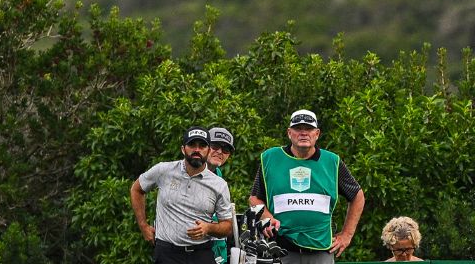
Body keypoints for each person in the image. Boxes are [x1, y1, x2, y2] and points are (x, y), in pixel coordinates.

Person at [250, 108, 364, 264]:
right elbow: (255, 198)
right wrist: (268, 218)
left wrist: (347, 235)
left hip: (321, 251)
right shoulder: (270, 158)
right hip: (282, 250)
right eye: (298, 128)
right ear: (289, 133)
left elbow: (357, 195)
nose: (303, 133)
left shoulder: (332, 161)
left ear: (316, 134)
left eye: (308, 129)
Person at [131, 126, 236, 264]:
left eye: (202, 145)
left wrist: (208, 228)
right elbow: (136, 189)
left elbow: (228, 227)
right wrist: (143, 226)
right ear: (183, 149)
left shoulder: (219, 184)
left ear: (208, 150)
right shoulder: (163, 170)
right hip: (166, 253)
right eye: (192, 144)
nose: (197, 150)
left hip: (201, 254)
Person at [206, 127, 236, 264]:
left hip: (218, 253)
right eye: (215, 146)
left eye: (225, 149)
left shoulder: (219, 177)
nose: (219, 152)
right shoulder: (188, 172)